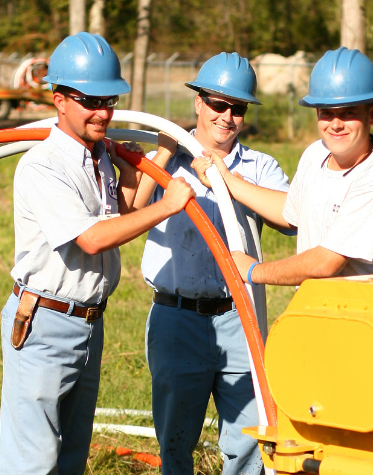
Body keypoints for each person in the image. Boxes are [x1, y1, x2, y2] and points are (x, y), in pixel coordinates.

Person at [0, 32, 194, 474]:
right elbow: (91, 238)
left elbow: (118, 216)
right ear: (59, 100)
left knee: (70, 457)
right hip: (45, 322)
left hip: (88, 321)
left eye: (109, 100)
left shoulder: (98, 155)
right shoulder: (43, 165)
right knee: (33, 460)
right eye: (90, 100)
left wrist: (130, 172)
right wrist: (168, 204)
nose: (103, 112)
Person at [134, 52, 293, 475]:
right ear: (199, 103)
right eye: (218, 105)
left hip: (238, 319)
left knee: (248, 443)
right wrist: (165, 154)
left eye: (237, 108)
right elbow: (126, 210)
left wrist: (228, 181)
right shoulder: (166, 162)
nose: (227, 117)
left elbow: (293, 216)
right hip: (176, 316)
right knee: (175, 442)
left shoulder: (260, 167)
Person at [193, 46, 373, 286]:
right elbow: (290, 213)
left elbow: (325, 263)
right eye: (327, 113)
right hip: (320, 310)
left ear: (372, 114)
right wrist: (227, 180)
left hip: (370, 315)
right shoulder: (315, 154)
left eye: (348, 112)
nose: (336, 124)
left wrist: (253, 271)